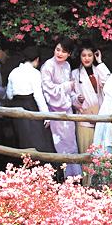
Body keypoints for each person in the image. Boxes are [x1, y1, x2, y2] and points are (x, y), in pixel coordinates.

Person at [40, 40, 82, 177]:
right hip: (55, 110)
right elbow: (48, 90)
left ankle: (75, 178)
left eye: (64, 51)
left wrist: (76, 98)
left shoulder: (67, 66)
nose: (60, 53)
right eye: (58, 49)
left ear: (69, 54)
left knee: (71, 144)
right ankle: (64, 178)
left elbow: (70, 90)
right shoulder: (48, 66)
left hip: (67, 111)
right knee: (61, 146)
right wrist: (66, 87)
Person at [6, 46, 55, 155]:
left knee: (21, 137)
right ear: (37, 59)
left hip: (15, 105)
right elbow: (38, 95)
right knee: (36, 139)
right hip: (30, 104)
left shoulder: (14, 72)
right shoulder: (35, 73)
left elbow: (9, 94)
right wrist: (46, 115)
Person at [72, 45, 110, 151]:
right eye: (84, 55)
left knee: (102, 153)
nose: (87, 58)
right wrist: (76, 98)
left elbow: (109, 84)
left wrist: (100, 62)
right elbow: (70, 94)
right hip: (84, 118)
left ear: (94, 56)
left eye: (90, 55)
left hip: (101, 117)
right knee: (86, 152)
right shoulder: (75, 73)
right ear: (79, 57)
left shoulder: (99, 70)